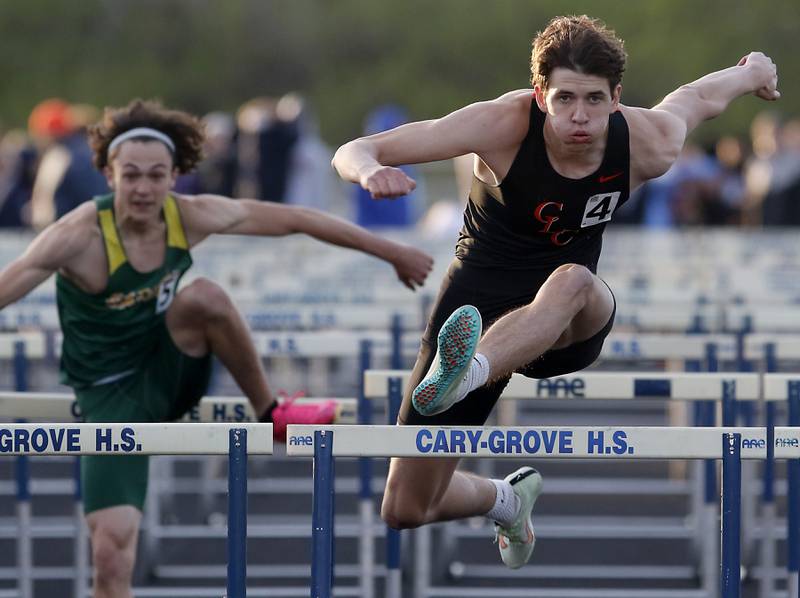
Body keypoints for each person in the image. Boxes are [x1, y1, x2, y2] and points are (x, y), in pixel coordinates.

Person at [333, 15, 779, 570]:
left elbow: (697, 98)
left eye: (595, 100)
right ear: (540, 94)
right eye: (565, 98)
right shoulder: (500, 124)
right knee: (404, 506)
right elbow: (356, 148)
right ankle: (507, 499)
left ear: (616, 98)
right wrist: (369, 171)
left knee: (571, 280)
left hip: (569, 319)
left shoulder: (649, 141)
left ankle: (467, 372)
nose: (579, 117)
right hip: (473, 311)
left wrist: (753, 71)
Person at [0, 99, 433, 598]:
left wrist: (391, 251)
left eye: (156, 176)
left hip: (170, 373)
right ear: (107, 174)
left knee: (204, 296)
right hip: (106, 398)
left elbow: (295, 219)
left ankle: (272, 411)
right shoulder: (76, 234)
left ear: (175, 176)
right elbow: (11, 285)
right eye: (131, 176)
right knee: (111, 558)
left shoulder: (190, 215)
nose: (143, 189)